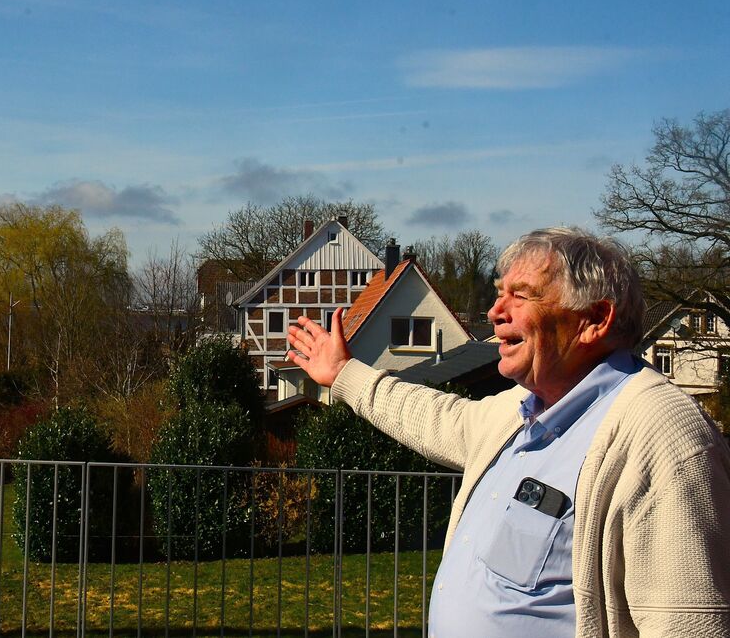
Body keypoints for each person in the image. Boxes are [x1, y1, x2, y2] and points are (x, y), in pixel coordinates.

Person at [286, 227, 730, 637]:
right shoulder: (518, 414)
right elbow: (433, 415)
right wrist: (344, 373)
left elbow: (690, 625)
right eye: (501, 294)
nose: (495, 311)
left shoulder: (663, 436)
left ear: (594, 318)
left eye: (521, 296)